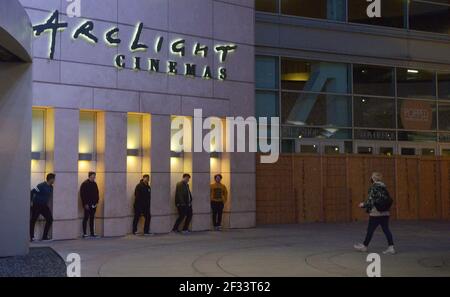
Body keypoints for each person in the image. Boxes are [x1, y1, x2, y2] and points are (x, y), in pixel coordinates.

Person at [354, 172, 395, 255]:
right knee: (386, 230)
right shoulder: (384, 187)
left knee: (370, 230)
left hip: (375, 213)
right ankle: (391, 247)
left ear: (373, 178)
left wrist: (363, 205)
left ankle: (364, 246)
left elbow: (370, 201)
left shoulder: (373, 187)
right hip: (385, 213)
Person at [30, 173, 56, 242]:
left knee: (50, 219)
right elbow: (32, 192)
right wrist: (31, 202)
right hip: (37, 205)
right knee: (33, 220)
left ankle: (44, 237)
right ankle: (32, 237)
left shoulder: (51, 187)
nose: (54, 181)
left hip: (44, 206)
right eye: (54, 179)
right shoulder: (41, 185)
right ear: (50, 179)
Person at [80, 171, 100, 238]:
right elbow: (82, 195)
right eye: (92, 176)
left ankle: (92, 233)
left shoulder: (95, 184)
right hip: (87, 205)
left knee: (92, 218)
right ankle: (84, 233)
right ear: (89, 176)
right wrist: (85, 204)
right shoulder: (84, 184)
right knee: (86, 218)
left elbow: (97, 193)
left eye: (94, 176)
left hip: (93, 204)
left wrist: (96, 202)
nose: (93, 177)